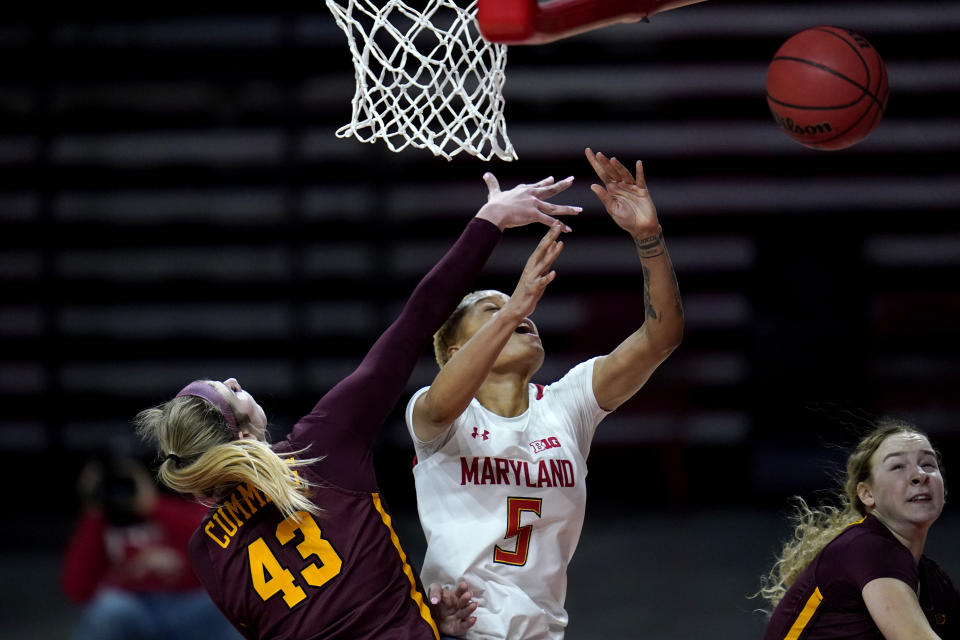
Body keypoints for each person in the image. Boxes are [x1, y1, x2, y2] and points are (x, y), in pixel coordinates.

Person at [133, 171, 581, 640]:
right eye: (231, 391)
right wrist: (489, 220)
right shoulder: (317, 448)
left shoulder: (207, 551)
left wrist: (427, 620)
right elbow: (414, 323)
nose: (233, 379)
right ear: (243, 435)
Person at [404, 148, 684, 639]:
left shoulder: (565, 404)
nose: (518, 312)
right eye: (492, 311)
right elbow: (442, 400)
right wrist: (515, 306)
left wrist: (649, 239)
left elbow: (662, 337)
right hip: (456, 631)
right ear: (452, 352)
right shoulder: (434, 414)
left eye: (517, 309)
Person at [759, 419, 960, 640]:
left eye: (928, 464)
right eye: (897, 466)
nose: (920, 475)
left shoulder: (936, 582)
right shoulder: (867, 548)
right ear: (867, 494)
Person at [62, 453, 240, 640]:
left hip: (190, 603)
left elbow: (216, 546)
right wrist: (93, 510)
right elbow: (76, 590)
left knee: (232, 608)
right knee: (108, 610)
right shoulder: (100, 521)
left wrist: (152, 505)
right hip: (133, 607)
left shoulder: (186, 501)